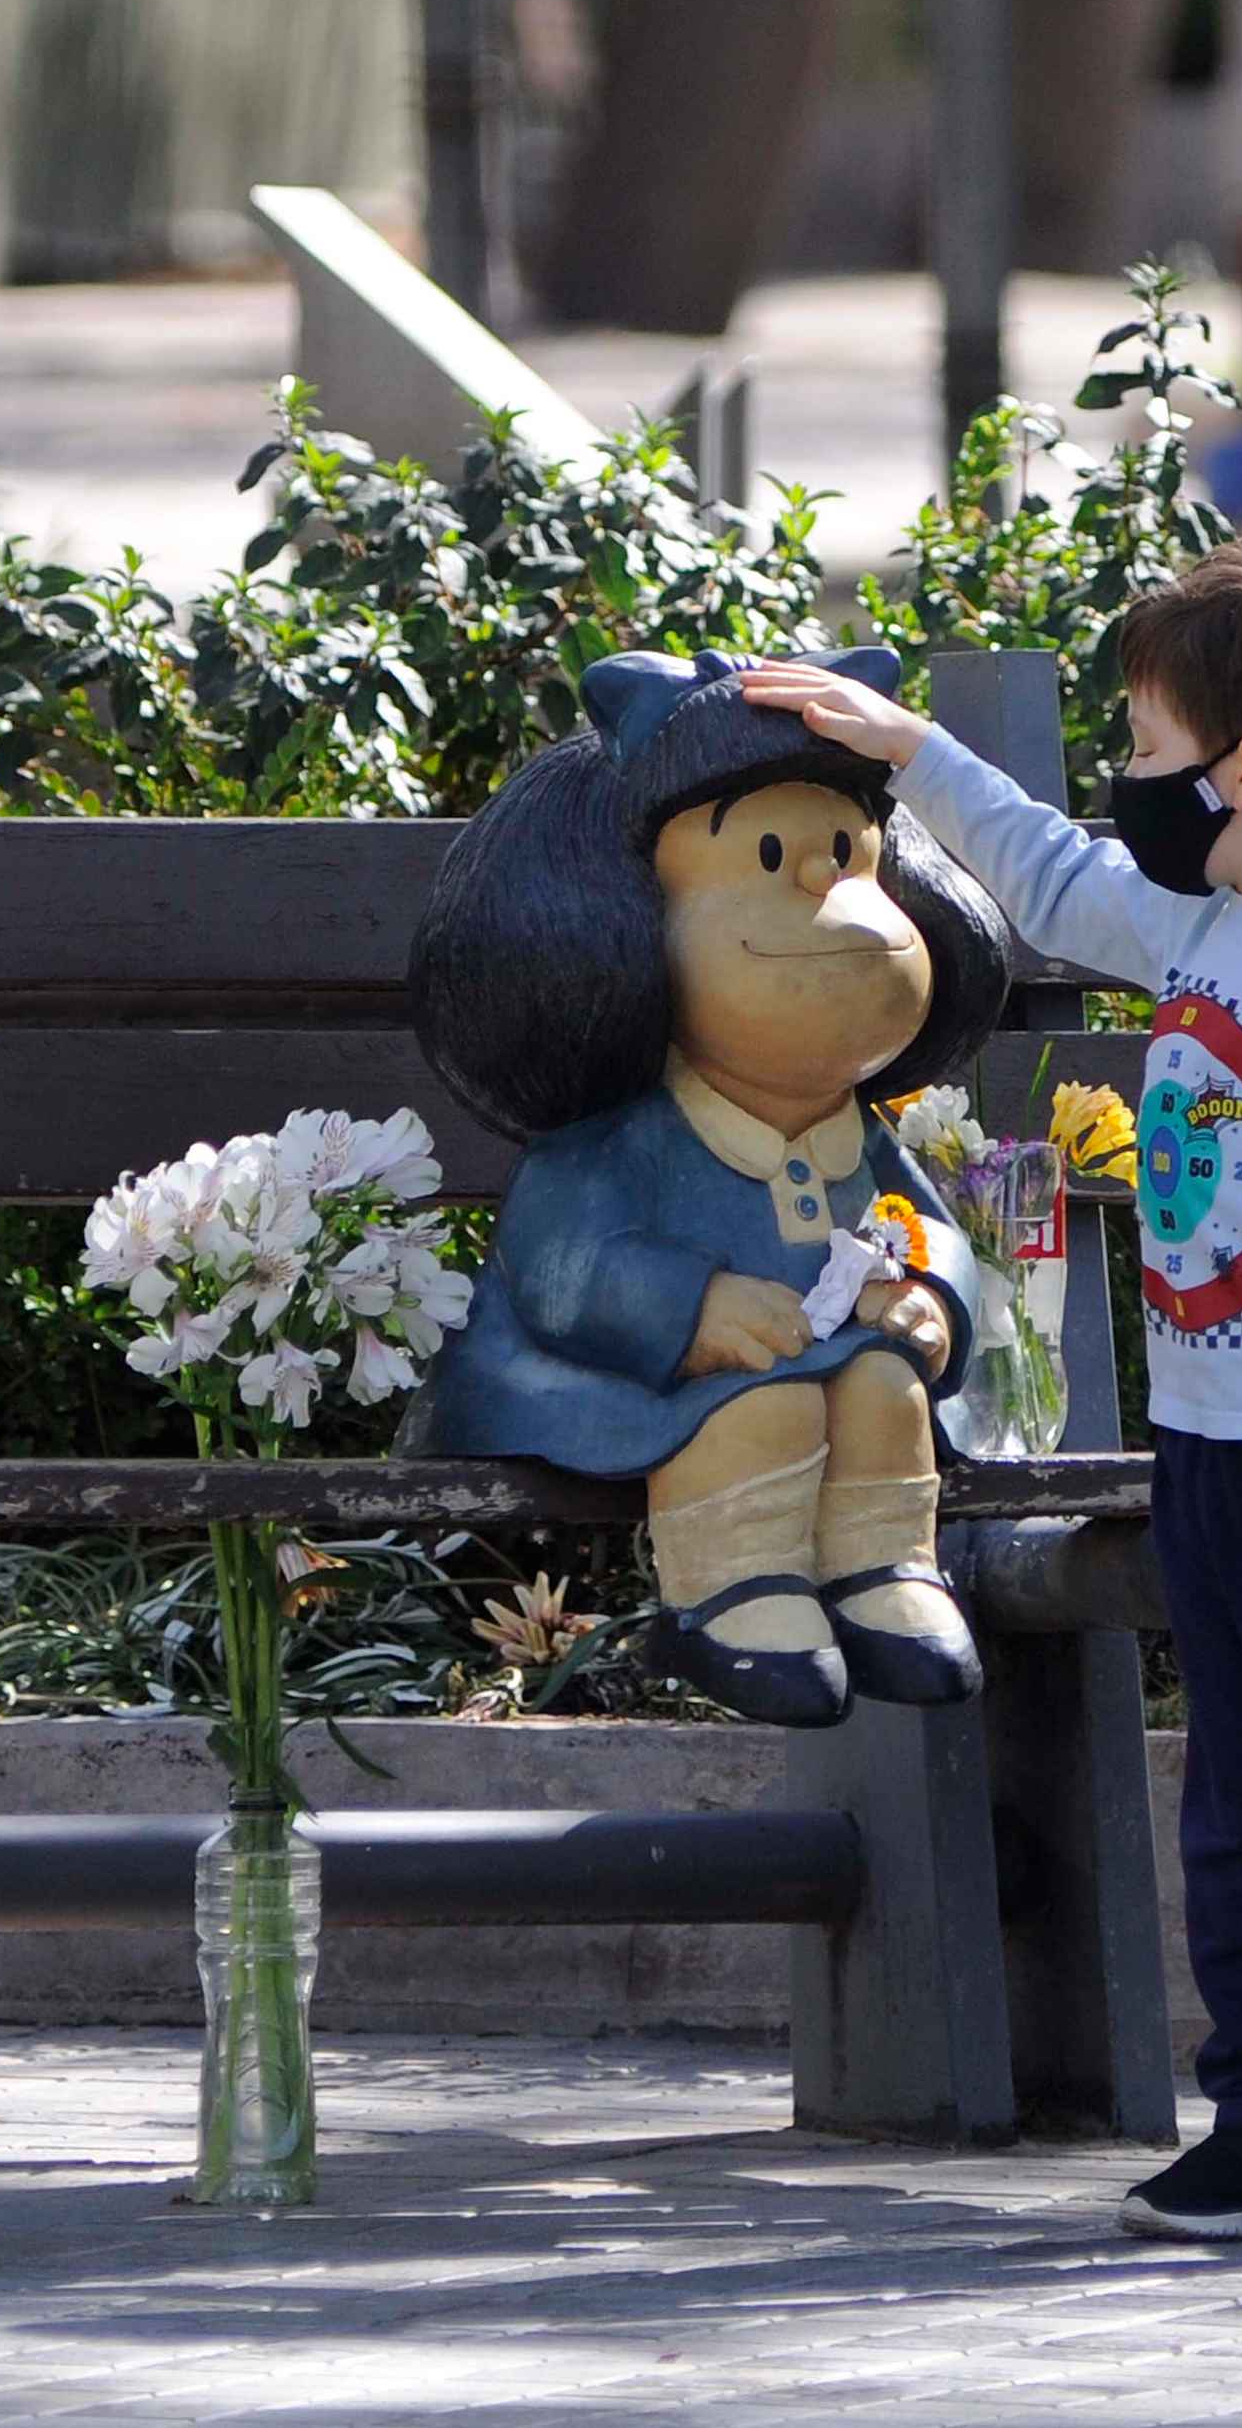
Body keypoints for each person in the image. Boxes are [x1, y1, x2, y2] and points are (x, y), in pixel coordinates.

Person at [742, 522, 1242, 2260]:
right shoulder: (1201, 926)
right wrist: (907, 753)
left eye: (1146, 746)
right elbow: (1043, 877)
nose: (1130, 780)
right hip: (1215, 1450)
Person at [403, 646, 1012, 1728]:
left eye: (849, 853)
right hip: (663, 1379)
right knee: (757, 1410)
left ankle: (885, 1569)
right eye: (776, 854)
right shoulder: (631, 1136)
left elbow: (929, 1222)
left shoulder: (855, 1131)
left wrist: (926, 1286)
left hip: (839, 1353)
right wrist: (692, 1307)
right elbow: (560, 1262)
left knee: (884, 1392)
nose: (833, 891)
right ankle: (734, 1588)